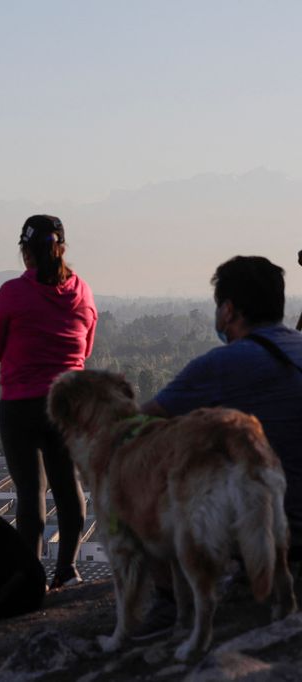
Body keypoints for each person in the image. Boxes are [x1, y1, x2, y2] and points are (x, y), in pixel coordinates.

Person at [134, 255, 302, 638]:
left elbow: (139, 425)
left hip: (277, 525)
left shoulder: (223, 364)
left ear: (227, 310)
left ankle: (168, 602)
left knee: (142, 459)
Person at [0, 215, 97, 589]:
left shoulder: (13, 293)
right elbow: (86, 349)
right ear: (61, 247)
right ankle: (67, 569)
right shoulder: (82, 292)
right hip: (67, 403)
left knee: (30, 493)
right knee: (68, 486)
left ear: (25, 251)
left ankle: (30, 576)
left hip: (21, 403)